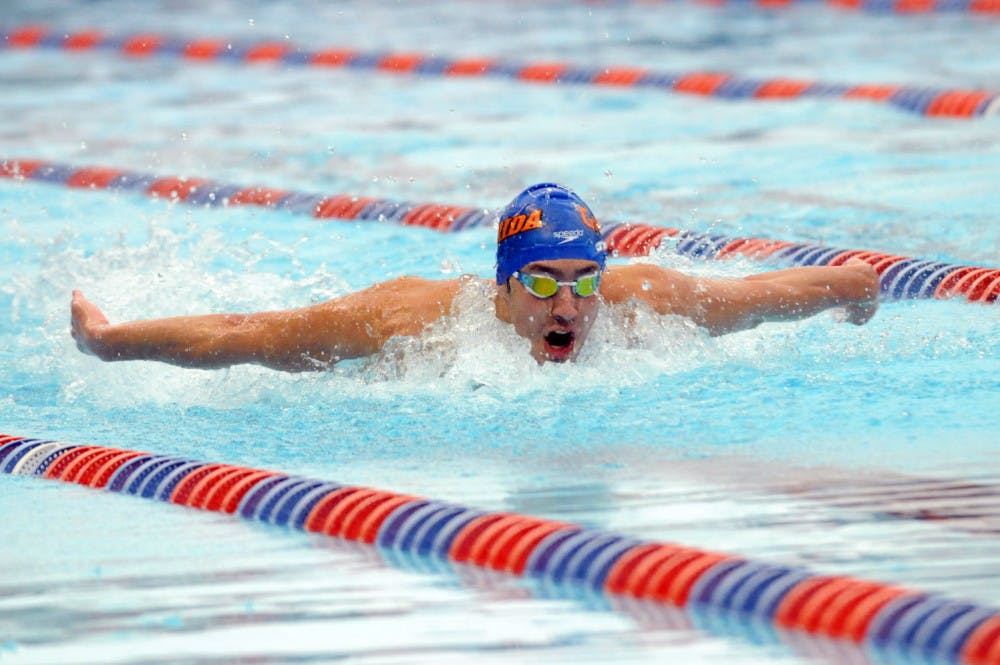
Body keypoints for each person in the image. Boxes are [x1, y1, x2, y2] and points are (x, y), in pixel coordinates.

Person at [71, 183, 880, 371]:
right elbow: (243, 335)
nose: (568, 304)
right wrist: (108, 342)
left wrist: (849, 287)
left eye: (583, 280)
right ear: (500, 286)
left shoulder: (645, 305)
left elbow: (762, 297)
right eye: (540, 283)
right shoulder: (408, 321)